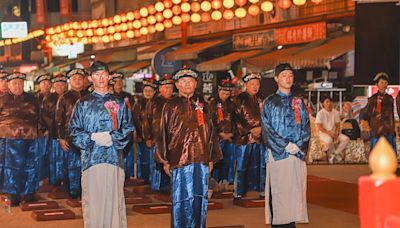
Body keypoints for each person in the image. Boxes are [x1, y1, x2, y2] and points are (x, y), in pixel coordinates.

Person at [69, 61, 134, 228]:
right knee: (94, 200)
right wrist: (92, 137)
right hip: (91, 159)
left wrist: (112, 137)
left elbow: (128, 128)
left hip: (114, 157)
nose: (101, 78)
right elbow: (73, 130)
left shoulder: (119, 103)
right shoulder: (82, 104)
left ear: (109, 76)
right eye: (96, 75)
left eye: (104, 74)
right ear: (90, 78)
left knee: (114, 199)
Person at [155, 68, 222, 228]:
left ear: (196, 84)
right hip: (179, 159)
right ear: (177, 84)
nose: (187, 84)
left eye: (190, 81)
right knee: (181, 198)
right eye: (183, 81)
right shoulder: (170, 106)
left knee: (200, 197)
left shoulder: (204, 105)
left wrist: (211, 157)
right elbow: (162, 133)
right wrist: (164, 160)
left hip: (201, 159)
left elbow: (212, 133)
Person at [261, 63, 310, 227]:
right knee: (279, 192)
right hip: (278, 154)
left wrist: (299, 145)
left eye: (290, 75)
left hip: (296, 153)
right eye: (284, 75)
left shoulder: (299, 101)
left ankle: (292, 224)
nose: (288, 78)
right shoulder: (269, 102)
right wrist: (285, 145)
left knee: (295, 192)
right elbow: (266, 129)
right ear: (276, 79)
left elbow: (306, 126)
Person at [0, 72, 40, 206]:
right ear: (8, 85)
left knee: (29, 166)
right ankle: (13, 194)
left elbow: (39, 117)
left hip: (29, 137)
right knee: (10, 168)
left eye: (20, 83)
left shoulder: (32, 98)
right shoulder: (2, 99)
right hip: (8, 139)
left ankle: (29, 193)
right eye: (14, 83)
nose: (17, 86)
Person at [55, 68, 89, 198]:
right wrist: (61, 138)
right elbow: (59, 119)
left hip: (88, 137)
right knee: (72, 167)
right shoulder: (64, 97)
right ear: (70, 81)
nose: (78, 81)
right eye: (74, 79)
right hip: (70, 138)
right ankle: (73, 192)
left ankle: (87, 192)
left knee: (88, 166)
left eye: (80, 78)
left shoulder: (91, 96)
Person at [233, 72, 266, 199]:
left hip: (261, 137)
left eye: (257, 84)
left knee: (262, 165)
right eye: (252, 84)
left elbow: (268, 117)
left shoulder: (262, 99)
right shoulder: (238, 99)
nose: (255, 86)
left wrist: (262, 129)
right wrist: (250, 130)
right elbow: (236, 119)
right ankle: (239, 191)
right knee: (242, 165)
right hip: (244, 138)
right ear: (246, 85)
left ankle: (262, 190)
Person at [144, 74, 175, 191]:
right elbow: (146, 120)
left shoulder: (175, 102)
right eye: (165, 87)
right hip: (157, 139)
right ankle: (155, 189)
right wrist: (148, 137)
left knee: (171, 163)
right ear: (160, 89)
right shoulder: (153, 102)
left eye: (170, 87)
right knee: (157, 164)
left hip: (172, 139)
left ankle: (170, 187)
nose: (168, 90)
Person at [209, 79, 236, 188]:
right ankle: (215, 182)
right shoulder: (212, 104)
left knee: (229, 160)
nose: (225, 95)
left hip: (230, 137)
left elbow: (236, 120)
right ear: (218, 91)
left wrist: (231, 133)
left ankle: (227, 181)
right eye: (223, 93)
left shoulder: (233, 104)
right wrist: (219, 134)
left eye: (227, 93)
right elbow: (210, 122)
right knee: (217, 160)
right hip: (217, 138)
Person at [42, 74, 68, 186]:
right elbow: (43, 116)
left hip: (67, 134)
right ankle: (55, 182)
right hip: (53, 135)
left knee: (67, 159)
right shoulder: (48, 99)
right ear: (54, 85)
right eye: (58, 85)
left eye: (63, 85)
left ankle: (67, 181)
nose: (60, 87)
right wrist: (49, 128)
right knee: (54, 159)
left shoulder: (69, 97)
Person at [110, 72, 135, 179]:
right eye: (116, 82)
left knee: (127, 152)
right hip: (114, 130)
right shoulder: (110, 97)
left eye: (120, 81)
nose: (119, 83)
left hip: (126, 129)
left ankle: (127, 175)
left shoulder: (128, 96)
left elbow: (133, 113)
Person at [365, 72, 396, 152]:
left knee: (390, 151)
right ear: (377, 84)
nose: (384, 84)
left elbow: (392, 113)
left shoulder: (390, 98)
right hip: (377, 128)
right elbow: (367, 113)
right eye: (381, 82)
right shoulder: (373, 98)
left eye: (385, 82)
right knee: (375, 151)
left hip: (389, 128)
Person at [132, 78, 156, 182]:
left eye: (150, 91)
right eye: (146, 91)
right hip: (141, 138)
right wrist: (140, 135)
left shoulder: (157, 104)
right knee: (144, 160)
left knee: (155, 162)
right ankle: (144, 180)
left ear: (154, 92)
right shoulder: (138, 104)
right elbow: (135, 120)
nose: (148, 93)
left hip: (156, 139)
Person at [316, 96, 350, 164]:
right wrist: (329, 133)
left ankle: (334, 154)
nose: (329, 103)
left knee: (346, 139)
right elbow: (319, 126)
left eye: (330, 102)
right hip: (324, 133)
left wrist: (337, 132)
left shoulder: (336, 112)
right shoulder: (320, 113)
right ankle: (333, 156)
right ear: (323, 104)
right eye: (327, 102)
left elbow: (338, 124)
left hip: (334, 132)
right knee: (329, 140)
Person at [35, 74, 53, 182]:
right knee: (39, 155)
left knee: (49, 155)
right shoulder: (34, 98)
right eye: (43, 83)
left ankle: (48, 176)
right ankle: (40, 177)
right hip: (38, 132)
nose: (46, 85)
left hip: (51, 131)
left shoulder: (55, 97)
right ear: (39, 85)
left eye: (48, 83)